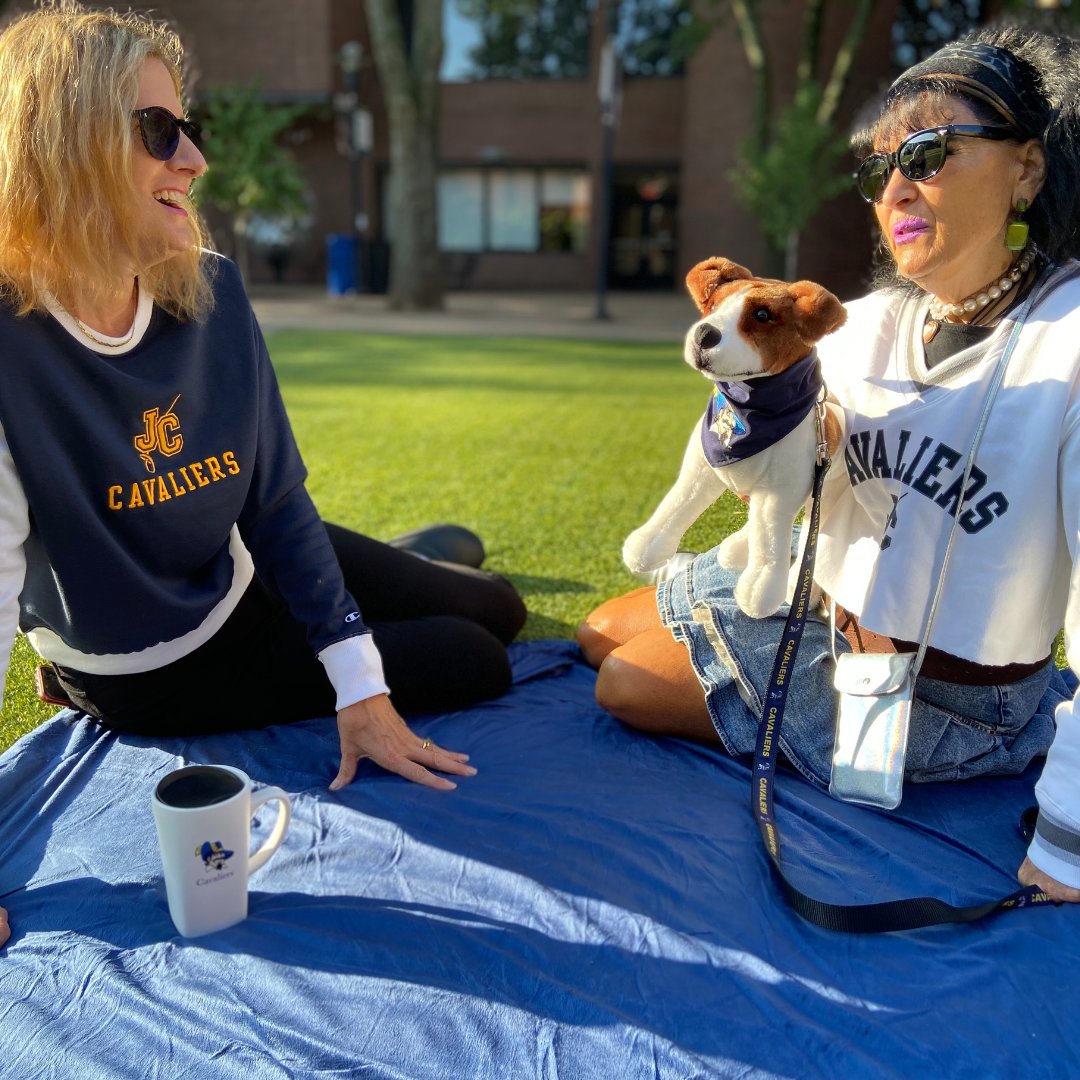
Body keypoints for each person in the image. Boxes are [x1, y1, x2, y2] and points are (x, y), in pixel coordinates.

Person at [0, 2, 525, 949]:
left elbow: (276, 496)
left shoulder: (210, 288)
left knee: (500, 610)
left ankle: (411, 564)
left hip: (242, 557)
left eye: (187, 131)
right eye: (159, 133)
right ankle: (76, 680)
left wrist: (358, 685)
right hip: (156, 661)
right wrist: (355, 680)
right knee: (473, 660)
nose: (195, 161)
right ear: (62, 141)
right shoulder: (9, 342)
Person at [579, 22, 1080, 905]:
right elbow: (759, 435)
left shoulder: (1068, 341)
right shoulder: (872, 322)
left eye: (927, 152)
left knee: (623, 681)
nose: (896, 187)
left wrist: (1070, 839)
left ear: (1027, 169)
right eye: (878, 167)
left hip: (955, 699)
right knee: (597, 632)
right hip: (821, 611)